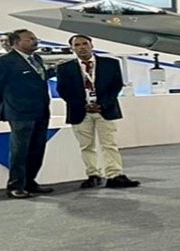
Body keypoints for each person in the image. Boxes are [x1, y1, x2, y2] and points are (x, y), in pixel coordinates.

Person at [56, 34, 139, 189]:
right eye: (77, 45)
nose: (82, 47)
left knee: (109, 144)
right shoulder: (64, 68)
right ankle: (93, 174)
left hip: (105, 110)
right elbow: (63, 90)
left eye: (84, 44)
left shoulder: (111, 63)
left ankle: (114, 175)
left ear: (91, 45)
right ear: (72, 48)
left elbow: (116, 86)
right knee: (86, 146)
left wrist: (102, 104)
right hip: (80, 111)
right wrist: (83, 105)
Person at [0, 29, 54, 199]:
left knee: (37, 149)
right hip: (19, 112)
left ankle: (30, 181)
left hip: (41, 110)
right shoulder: (4, 61)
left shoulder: (37, 59)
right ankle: (15, 185)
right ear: (16, 42)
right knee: (20, 150)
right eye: (30, 39)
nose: (35, 41)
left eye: (35, 38)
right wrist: (5, 106)